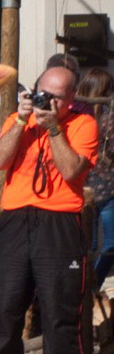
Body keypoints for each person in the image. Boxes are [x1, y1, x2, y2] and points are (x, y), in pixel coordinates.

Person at [0, 65, 98, 354]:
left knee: (60, 304)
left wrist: (52, 129)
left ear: (71, 98)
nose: (48, 102)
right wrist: (21, 121)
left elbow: (72, 170)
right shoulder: (18, 119)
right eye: (43, 93)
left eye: (57, 97)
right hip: (15, 218)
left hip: (59, 219)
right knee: (6, 303)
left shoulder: (83, 123)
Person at [77, 68, 114, 284]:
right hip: (93, 189)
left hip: (98, 188)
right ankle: (88, 288)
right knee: (96, 245)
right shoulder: (87, 118)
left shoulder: (79, 117)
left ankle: (88, 287)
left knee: (94, 245)